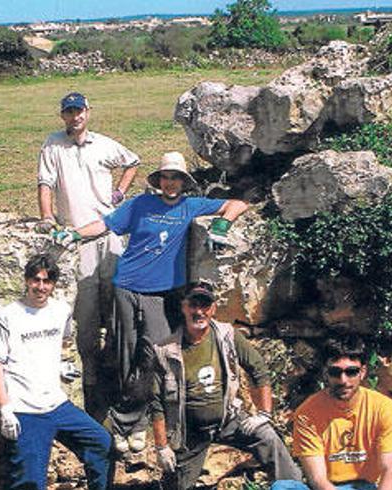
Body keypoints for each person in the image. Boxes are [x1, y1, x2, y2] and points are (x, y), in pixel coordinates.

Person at [55, 151, 248, 453]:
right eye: (166, 177)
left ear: (185, 182)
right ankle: (121, 424)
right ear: (159, 180)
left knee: (154, 356)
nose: (171, 183)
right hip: (126, 286)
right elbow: (105, 224)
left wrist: (222, 225)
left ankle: (139, 419)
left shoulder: (191, 206)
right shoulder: (140, 204)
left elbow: (237, 203)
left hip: (160, 294)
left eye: (176, 178)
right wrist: (74, 234)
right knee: (124, 353)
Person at [37, 91, 139, 421]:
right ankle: (91, 378)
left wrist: (120, 190)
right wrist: (47, 217)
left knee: (116, 307)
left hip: (108, 234)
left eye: (79, 111)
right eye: (69, 112)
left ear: (87, 112)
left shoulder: (103, 144)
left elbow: (133, 161)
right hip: (77, 237)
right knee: (85, 312)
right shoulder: (53, 144)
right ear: (62, 115)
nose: (75, 117)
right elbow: (45, 183)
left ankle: (117, 378)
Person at [150, 282, 302, 490]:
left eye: (205, 306)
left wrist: (264, 413)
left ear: (213, 309)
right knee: (177, 487)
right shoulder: (165, 350)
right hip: (190, 431)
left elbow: (258, 369)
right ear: (183, 307)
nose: (199, 312)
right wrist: (161, 446)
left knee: (268, 438)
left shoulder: (227, 335)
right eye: (193, 305)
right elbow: (155, 401)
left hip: (228, 419)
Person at [0, 254, 112, 490]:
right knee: (29, 484)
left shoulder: (61, 311)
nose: (41, 287)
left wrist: (61, 366)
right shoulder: (8, 316)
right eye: (36, 280)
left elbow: (62, 341)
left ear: (53, 284)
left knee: (101, 443)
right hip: (25, 410)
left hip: (57, 404)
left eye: (47, 281)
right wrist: (5, 408)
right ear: (26, 280)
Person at [269, 337, 392, 490]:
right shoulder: (307, 413)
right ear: (325, 374)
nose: (343, 380)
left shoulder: (384, 408)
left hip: (370, 489)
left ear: (362, 372)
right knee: (283, 489)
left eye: (351, 372)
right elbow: (318, 479)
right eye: (335, 372)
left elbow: (391, 469)